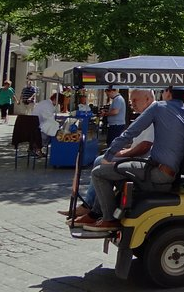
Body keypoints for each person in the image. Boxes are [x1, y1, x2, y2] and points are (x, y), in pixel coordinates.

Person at [80, 88, 184, 232]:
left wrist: (108, 155)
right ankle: (99, 213)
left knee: (99, 172)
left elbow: (131, 132)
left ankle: (108, 219)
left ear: (168, 93)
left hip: (156, 171)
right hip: (172, 173)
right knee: (115, 173)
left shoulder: (159, 107)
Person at [61, 89, 155, 218]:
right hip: (136, 158)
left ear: (147, 99)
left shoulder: (152, 116)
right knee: (101, 160)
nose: (132, 104)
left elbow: (144, 146)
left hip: (140, 161)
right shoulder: (146, 115)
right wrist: (122, 151)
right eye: (131, 100)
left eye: (135, 100)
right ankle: (91, 206)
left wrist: (122, 154)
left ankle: (93, 209)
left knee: (101, 163)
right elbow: (137, 143)